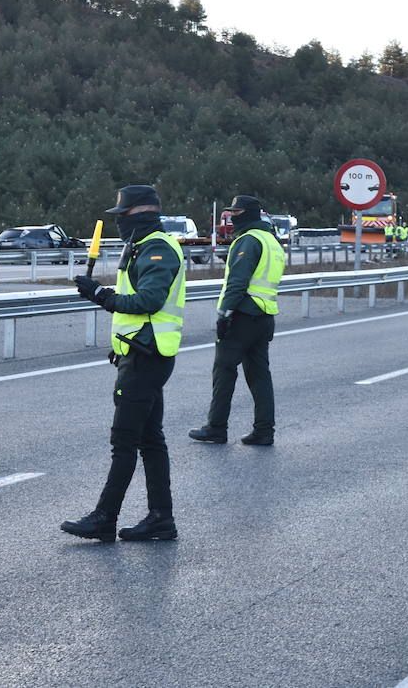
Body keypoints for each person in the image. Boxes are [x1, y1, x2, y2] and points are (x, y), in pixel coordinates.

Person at [63, 184, 186, 543]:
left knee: (125, 441)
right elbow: (136, 305)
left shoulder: (158, 250)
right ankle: (161, 519)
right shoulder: (144, 248)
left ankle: (105, 518)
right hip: (142, 353)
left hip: (147, 357)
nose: (119, 226)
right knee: (150, 440)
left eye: (123, 217)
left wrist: (101, 294)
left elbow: (148, 300)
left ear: (141, 215)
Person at [189, 194, 285, 447]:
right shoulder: (272, 240)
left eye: (236, 212)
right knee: (259, 376)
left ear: (247, 214)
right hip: (265, 316)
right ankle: (264, 431)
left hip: (243, 315)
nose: (231, 216)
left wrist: (224, 313)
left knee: (224, 371)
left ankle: (216, 428)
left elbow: (238, 282)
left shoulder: (248, 240)